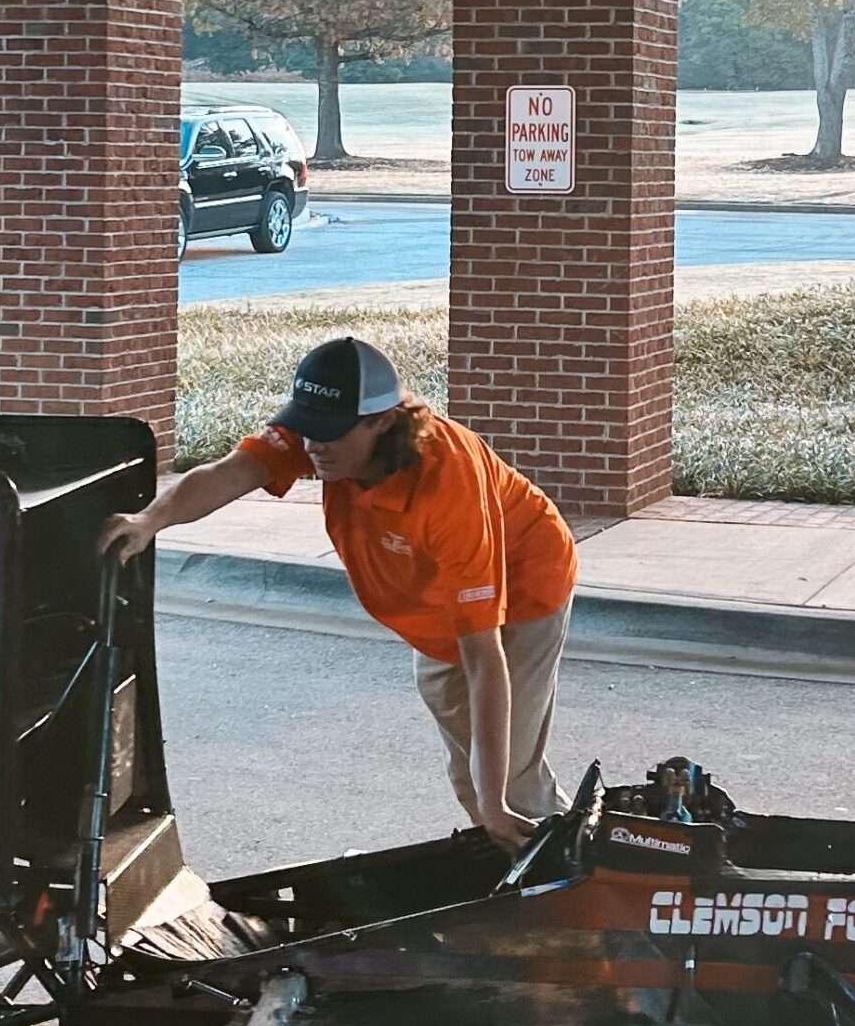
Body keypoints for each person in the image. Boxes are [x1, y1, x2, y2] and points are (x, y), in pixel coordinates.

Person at [99, 337, 577, 851]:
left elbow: (484, 659)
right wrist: (151, 520)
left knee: (507, 787)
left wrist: (494, 804)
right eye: (307, 429)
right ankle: (529, 867)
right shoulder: (323, 434)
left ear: (383, 421)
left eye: (329, 434)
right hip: (432, 610)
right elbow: (230, 473)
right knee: (473, 781)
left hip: (524, 589)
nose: (312, 446)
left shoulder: (445, 485)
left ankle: (587, 886)